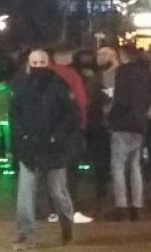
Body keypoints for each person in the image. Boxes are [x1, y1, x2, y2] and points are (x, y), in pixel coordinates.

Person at [11, 49, 79, 249]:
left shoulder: (59, 86)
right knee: (25, 192)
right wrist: (22, 136)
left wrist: (56, 136)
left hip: (54, 148)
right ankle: (25, 231)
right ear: (29, 63)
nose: (38, 66)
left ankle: (67, 226)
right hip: (30, 147)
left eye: (42, 62)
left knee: (58, 192)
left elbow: (71, 115)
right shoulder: (21, 86)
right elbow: (14, 114)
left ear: (47, 63)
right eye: (35, 62)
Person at [107, 45, 151, 221]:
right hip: (139, 123)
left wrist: (111, 118)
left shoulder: (123, 73)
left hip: (123, 124)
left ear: (123, 56)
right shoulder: (144, 72)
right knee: (135, 166)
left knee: (118, 166)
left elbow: (121, 101)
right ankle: (137, 205)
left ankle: (121, 205)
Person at [47, 47, 92, 224]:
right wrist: (82, 125)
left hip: (49, 131)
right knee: (71, 172)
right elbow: (81, 102)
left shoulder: (44, 75)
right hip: (70, 131)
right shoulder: (71, 75)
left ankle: (53, 210)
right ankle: (70, 210)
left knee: (52, 171)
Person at [84, 45, 118, 199]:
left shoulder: (121, 76)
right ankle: (102, 188)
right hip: (99, 124)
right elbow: (88, 99)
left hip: (117, 123)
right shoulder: (95, 78)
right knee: (101, 159)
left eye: (105, 54)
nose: (101, 58)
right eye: (99, 55)